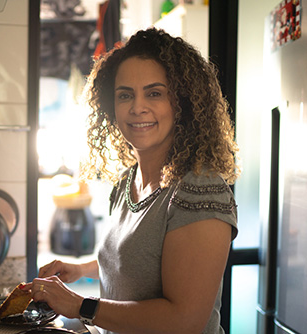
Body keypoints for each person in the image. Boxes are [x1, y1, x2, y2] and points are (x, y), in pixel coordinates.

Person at [24, 28, 240, 334]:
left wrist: (79, 305)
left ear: (183, 103)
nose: (137, 107)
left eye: (154, 93)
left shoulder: (199, 190)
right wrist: (81, 270)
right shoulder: (128, 180)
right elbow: (140, 262)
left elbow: (184, 321)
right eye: (125, 95)